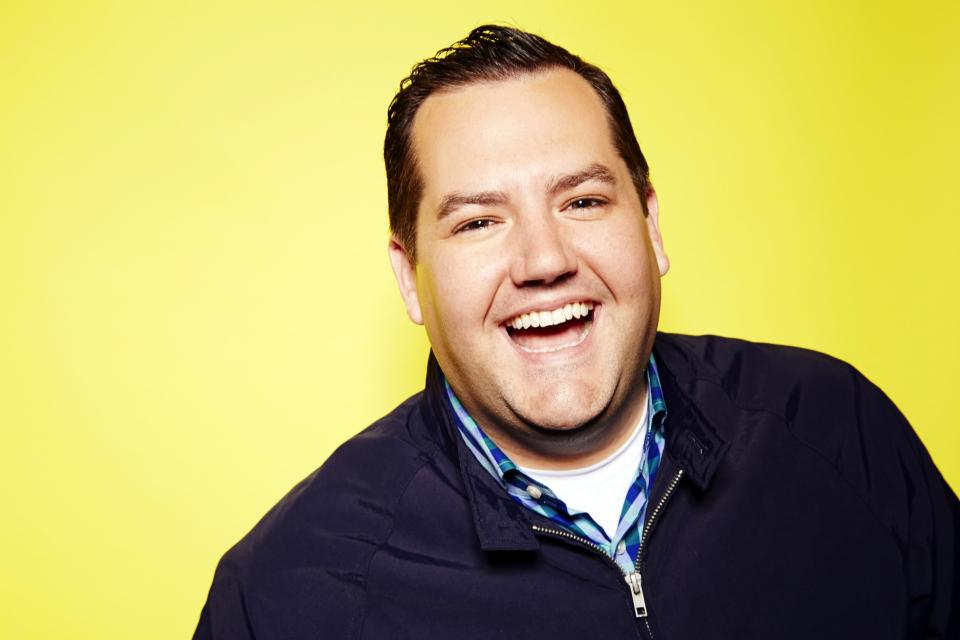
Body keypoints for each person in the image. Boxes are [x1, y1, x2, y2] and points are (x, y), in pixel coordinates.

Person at [194, 25, 959, 639]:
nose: (544, 261)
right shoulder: (288, 594)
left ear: (651, 225)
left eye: (583, 202)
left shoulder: (838, 430)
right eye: (479, 221)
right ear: (409, 276)